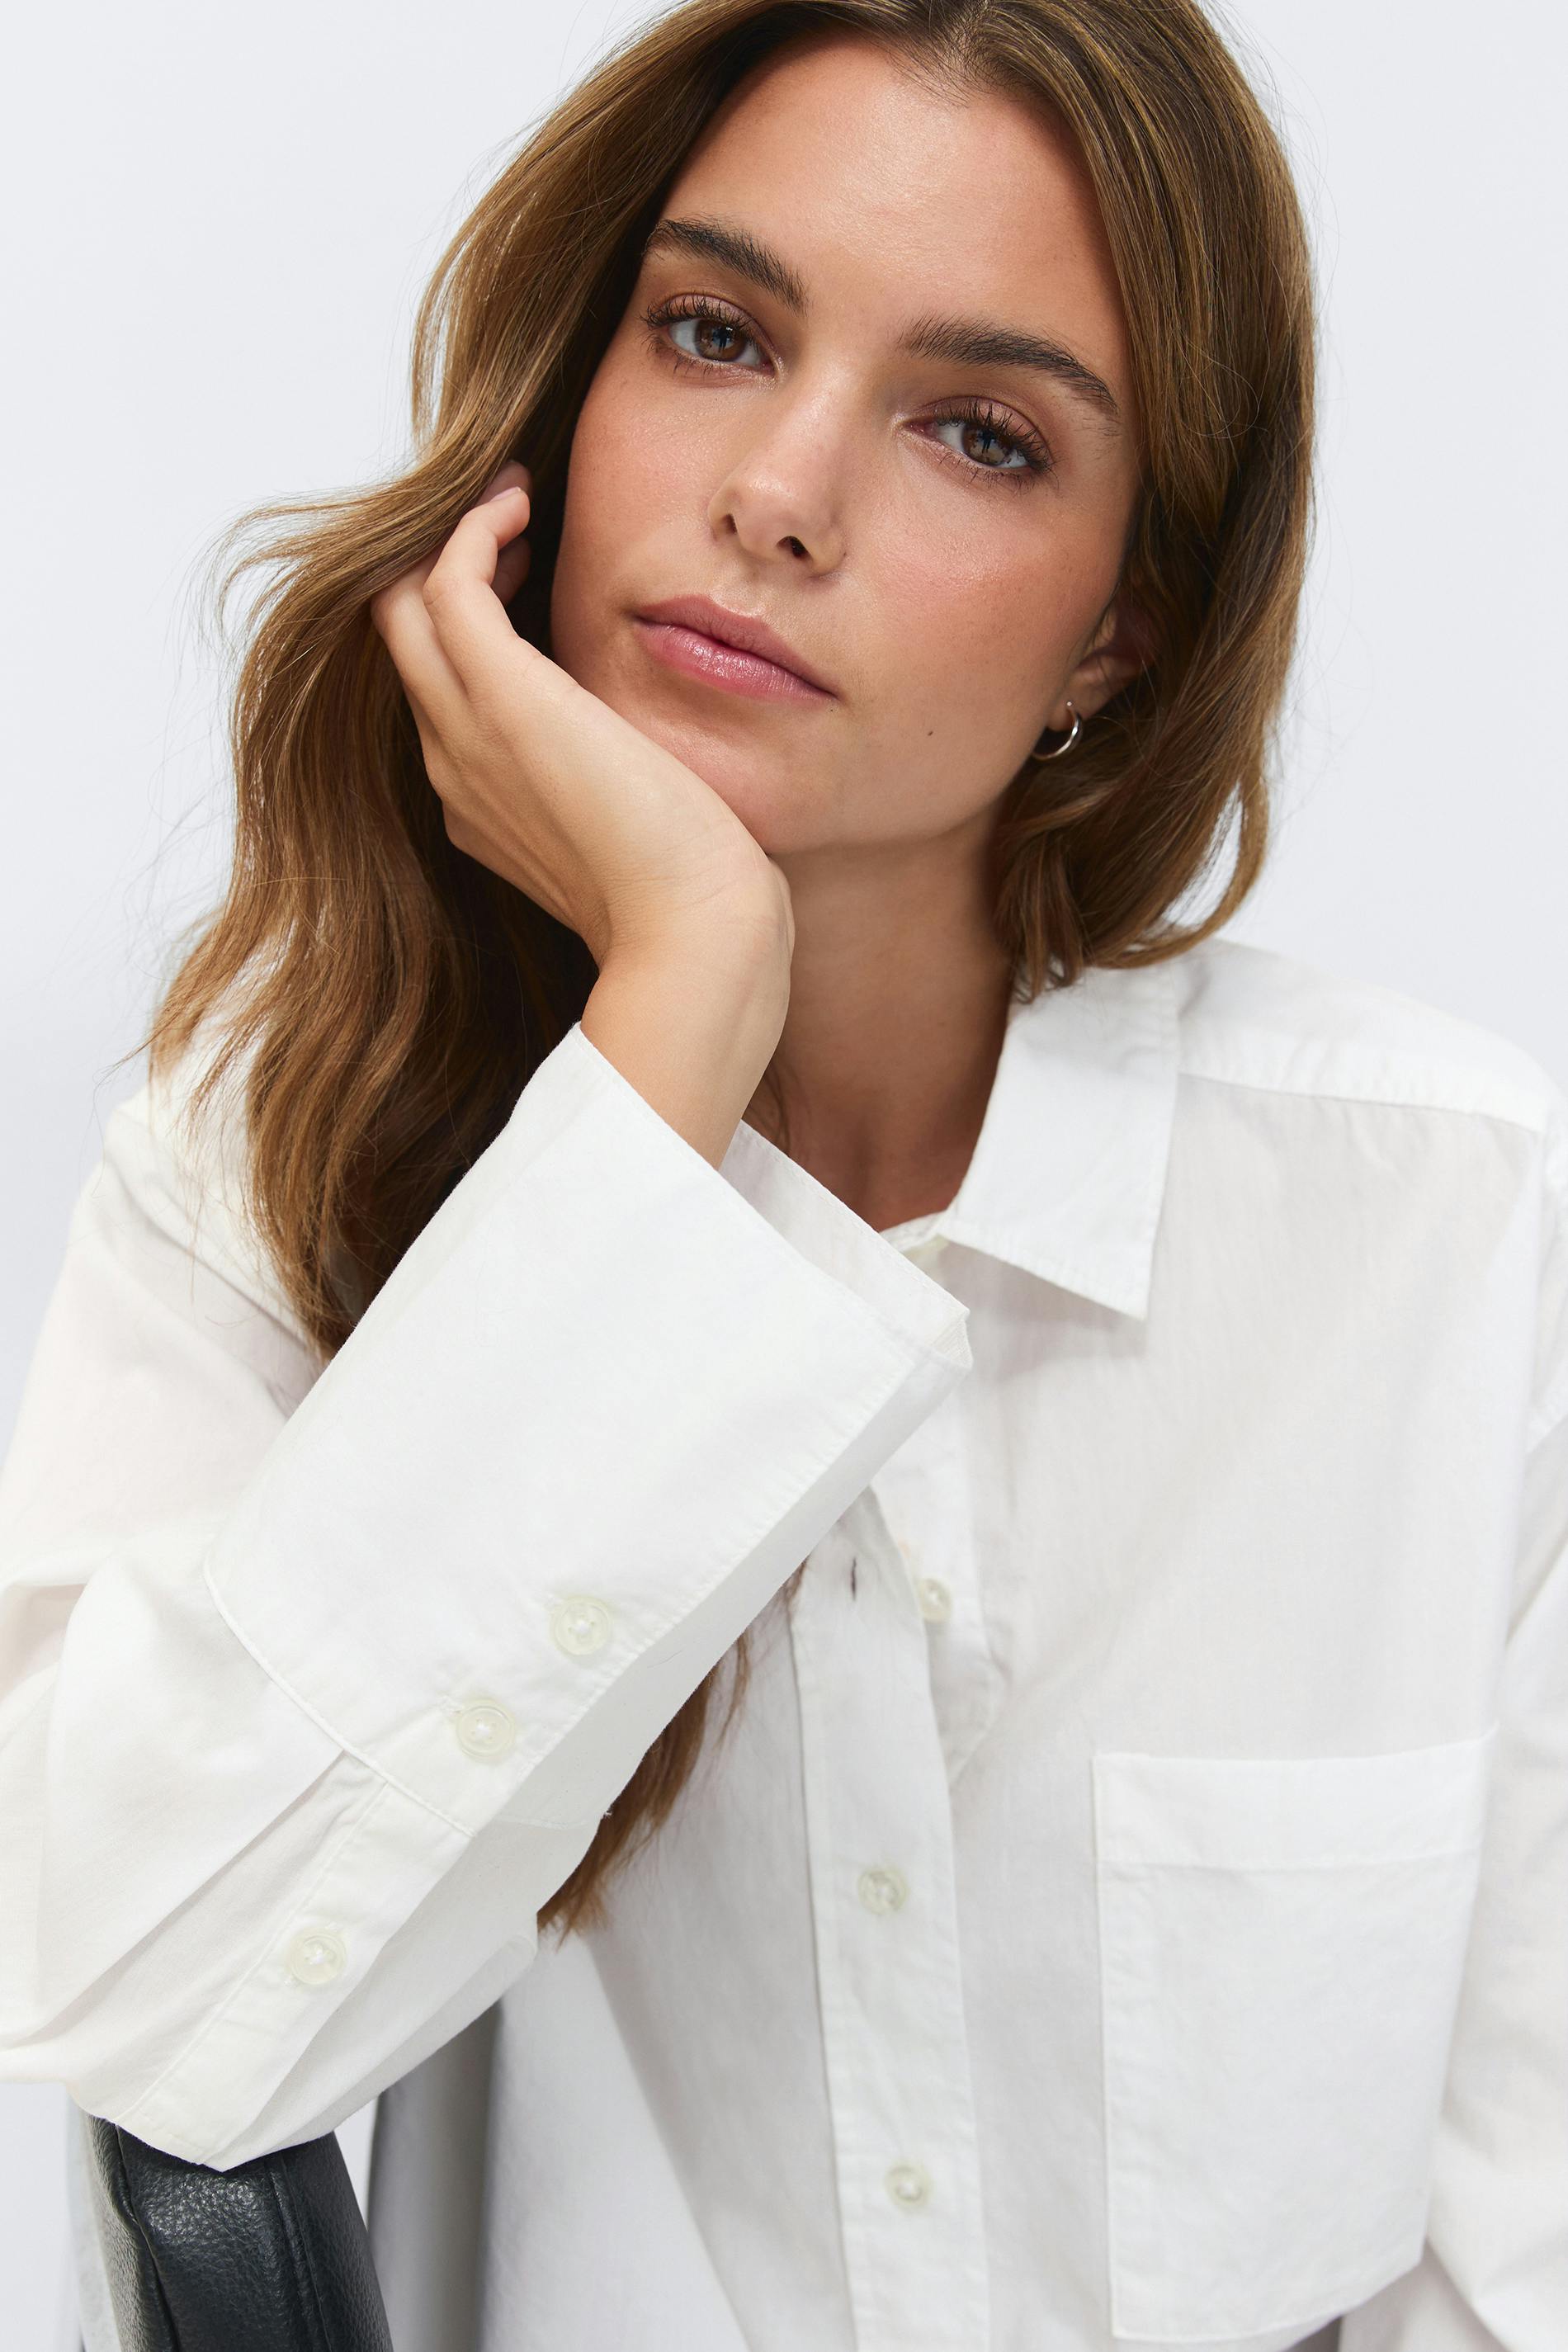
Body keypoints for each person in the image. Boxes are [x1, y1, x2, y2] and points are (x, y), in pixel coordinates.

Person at [2, 2, 1564, 2347]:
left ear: (1119, 631)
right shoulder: (268, 1166)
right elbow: (131, 1993)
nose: (779, 493)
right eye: (714, 332)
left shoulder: (1449, 1228)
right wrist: (665, 1035)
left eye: (975, 431)